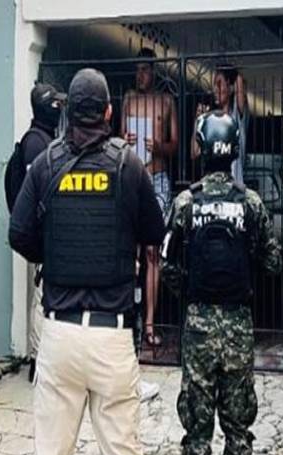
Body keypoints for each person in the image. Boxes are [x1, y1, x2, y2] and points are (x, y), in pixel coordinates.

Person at [9, 68, 164, 455]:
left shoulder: (45, 165)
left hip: (59, 334)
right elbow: (154, 230)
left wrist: (54, 254)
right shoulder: (128, 167)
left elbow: (19, 234)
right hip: (111, 337)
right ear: (109, 113)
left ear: (68, 113)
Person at [163, 111, 282, 455]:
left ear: (201, 147)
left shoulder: (185, 203)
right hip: (238, 328)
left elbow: (167, 265)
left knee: (197, 428)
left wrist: (191, 293)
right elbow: (274, 263)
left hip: (197, 329)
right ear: (233, 149)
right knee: (238, 427)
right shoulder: (250, 204)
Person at [6, 83, 67, 382]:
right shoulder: (35, 142)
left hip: (48, 233)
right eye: (56, 104)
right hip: (40, 233)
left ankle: (45, 357)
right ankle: (37, 360)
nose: (60, 109)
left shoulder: (46, 139)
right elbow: (38, 193)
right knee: (41, 296)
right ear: (46, 107)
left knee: (47, 294)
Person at [122, 48, 179, 350]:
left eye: (145, 69)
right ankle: (128, 316)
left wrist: (158, 146)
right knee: (130, 248)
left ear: (154, 72)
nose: (140, 75)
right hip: (134, 176)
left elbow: (175, 145)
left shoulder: (166, 102)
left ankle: (149, 323)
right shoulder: (128, 100)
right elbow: (117, 140)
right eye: (137, 69)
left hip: (157, 177)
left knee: (152, 252)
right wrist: (125, 140)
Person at [194, 63, 248, 183]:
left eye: (219, 84)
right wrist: (197, 121)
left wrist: (227, 69)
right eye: (214, 85)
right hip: (211, 184)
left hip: (233, 183)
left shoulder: (236, 115)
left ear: (230, 87)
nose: (215, 90)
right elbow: (194, 152)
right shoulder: (209, 119)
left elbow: (238, 80)